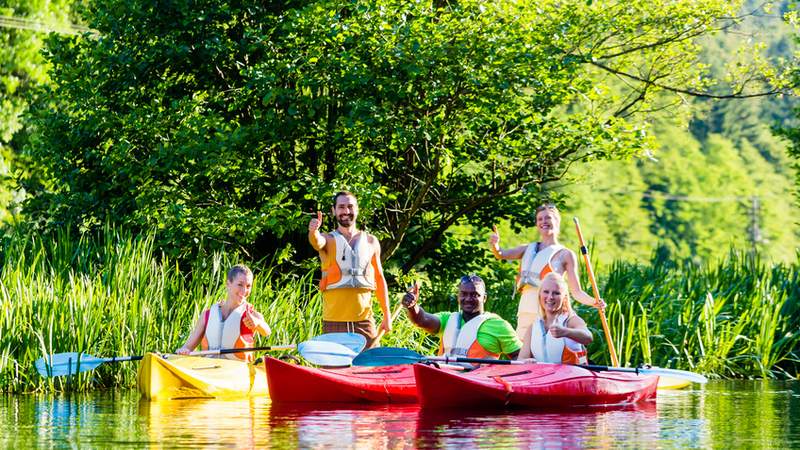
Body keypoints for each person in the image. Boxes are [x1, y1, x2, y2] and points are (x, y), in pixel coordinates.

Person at [489, 203, 603, 359]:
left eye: (548, 218)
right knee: (523, 353)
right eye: (539, 219)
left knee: (547, 351)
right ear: (536, 224)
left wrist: (594, 301)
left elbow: (576, 291)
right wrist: (495, 245)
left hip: (547, 308)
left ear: (557, 221)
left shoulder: (565, 254)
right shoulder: (527, 248)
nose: (543, 221)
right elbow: (501, 254)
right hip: (525, 307)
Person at [308, 191, 391, 349]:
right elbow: (316, 242)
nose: (346, 211)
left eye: (350, 207)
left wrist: (387, 315)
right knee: (335, 372)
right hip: (333, 323)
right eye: (341, 207)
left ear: (357, 209)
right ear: (334, 211)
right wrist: (313, 232)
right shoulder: (328, 239)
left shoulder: (371, 241)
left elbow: (380, 279)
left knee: (368, 370)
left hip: (365, 323)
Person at [401, 275, 521, 363]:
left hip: (477, 382)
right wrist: (412, 307)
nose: (468, 299)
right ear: (458, 296)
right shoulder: (447, 319)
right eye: (464, 294)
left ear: (484, 298)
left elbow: (519, 358)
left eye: (475, 295)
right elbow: (422, 320)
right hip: (443, 375)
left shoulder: (498, 325)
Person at [176, 265, 271, 361]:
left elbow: (267, 331)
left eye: (248, 286)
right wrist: (183, 351)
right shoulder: (207, 315)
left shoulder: (252, 315)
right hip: (207, 370)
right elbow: (188, 347)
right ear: (228, 284)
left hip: (238, 371)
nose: (244, 291)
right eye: (240, 285)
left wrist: (258, 323)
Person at [520, 272, 592, 364]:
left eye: (556, 293)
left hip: (571, 376)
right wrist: (526, 362)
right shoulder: (533, 327)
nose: (550, 297)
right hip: (542, 376)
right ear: (540, 295)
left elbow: (588, 337)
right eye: (546, 292)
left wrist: (565, 332)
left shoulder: (571, 320)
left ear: (564, 298)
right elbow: (521, 358)